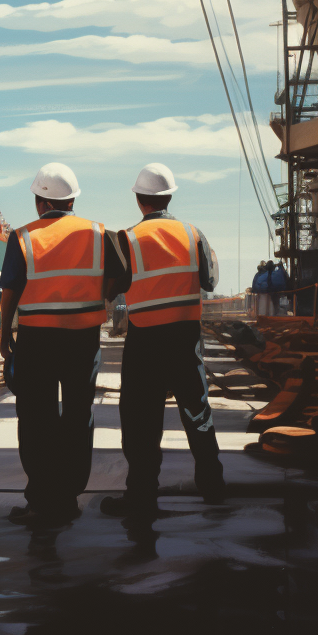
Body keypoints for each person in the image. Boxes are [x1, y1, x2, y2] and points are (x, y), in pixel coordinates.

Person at [0, 162, 128, 525]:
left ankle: (41, 499)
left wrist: (5, 333)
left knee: (36, 418)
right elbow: (123, 278)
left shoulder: (23, 237)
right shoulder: (99, 233)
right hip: (82, 339)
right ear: (72, 200)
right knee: (76, 414)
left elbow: (10, 289)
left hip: (37, 339)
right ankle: (69, 497)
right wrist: (101, 296)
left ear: (40, 201)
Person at [101, 163, 226, 518]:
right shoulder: (193, 233)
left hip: (146, 341)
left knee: (141, 420)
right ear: (169, 196)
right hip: (186, 339)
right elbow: (210, 280)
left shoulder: (126, 239)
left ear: (139, 200)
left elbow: (114, 289)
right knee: (197, 411)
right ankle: (213, 486)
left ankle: (141, 495)